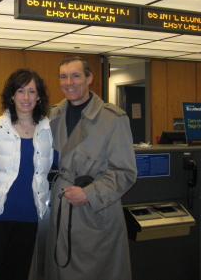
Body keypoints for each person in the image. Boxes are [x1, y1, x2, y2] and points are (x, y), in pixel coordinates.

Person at [44, 56, 137, 280]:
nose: (69, 82)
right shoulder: (53, 115)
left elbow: (126, 172)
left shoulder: (112, 119)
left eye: (76, 76)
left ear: (89, 79)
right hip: (59, 209)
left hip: (95, 213)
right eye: (63, 77)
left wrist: (89, 194)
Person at [0, 68, 54, 280]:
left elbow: (58, 165)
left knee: (19, 273)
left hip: (30, 216)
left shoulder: (48, 130)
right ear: (12, 95)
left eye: (31, 91)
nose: (26, 97)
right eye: (21, 91)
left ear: (39, 96)